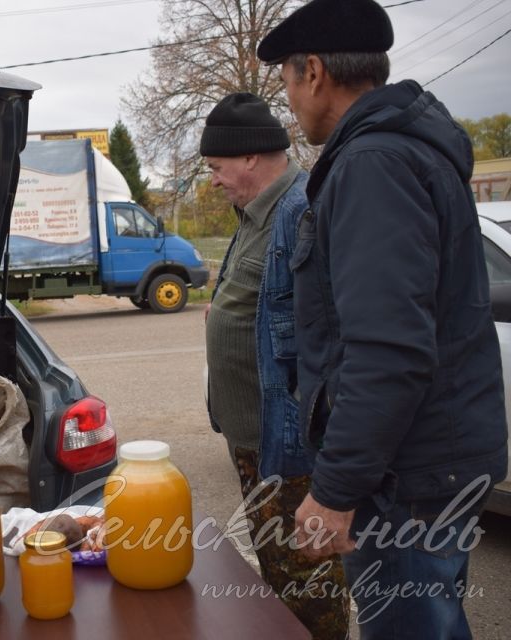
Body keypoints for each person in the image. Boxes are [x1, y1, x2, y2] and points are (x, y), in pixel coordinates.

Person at [257, 0, 508, 637]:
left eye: (286, 81)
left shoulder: (374, 165)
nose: (289, 102)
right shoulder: (400, 152)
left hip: (405, 478)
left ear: (313, 72)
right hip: (424, 464)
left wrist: (337, 489)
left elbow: (387, 349)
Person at [202, 92, 349, 639]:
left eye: (217, 167)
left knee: (309, 586)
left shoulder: (301, 210)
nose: (213, 179)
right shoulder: (254, 213)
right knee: (279, 581)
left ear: (249, 158)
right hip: (253, 441)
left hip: (288, 445)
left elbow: (331, 334)